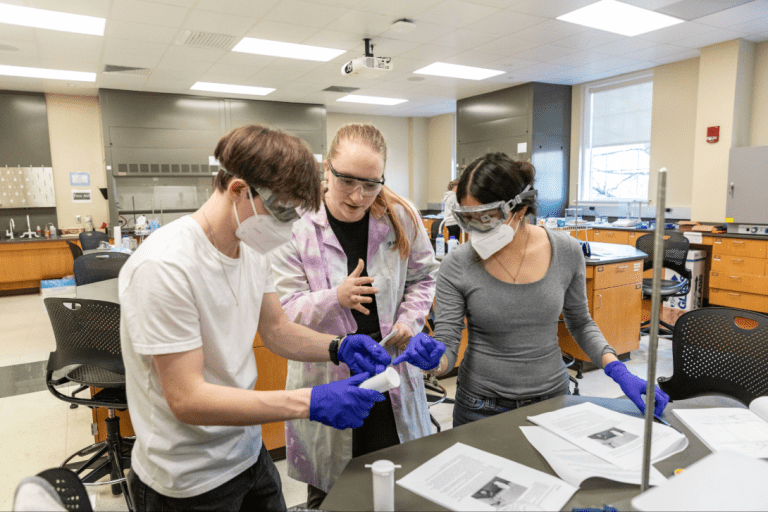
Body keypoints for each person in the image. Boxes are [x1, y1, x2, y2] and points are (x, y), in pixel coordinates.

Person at [119, 125, 396, 512]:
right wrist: (309, 401)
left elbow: (278, 330)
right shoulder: (165, 265)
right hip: (187, 479)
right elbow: (187, 398)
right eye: (282, 211)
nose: (289, 226)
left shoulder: (252, 249)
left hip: (249, 456)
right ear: (237, 190)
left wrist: (339, 347)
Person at [271, 123, 443, 508]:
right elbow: (282, 314)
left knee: (397, 487)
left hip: (390, 374)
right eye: (347, 180)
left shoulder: (400, 214)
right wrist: (336, 298)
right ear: (326, 169)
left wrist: (408, 321)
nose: (358, 195)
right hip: (329, 380)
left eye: (371, 183)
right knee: (334, 494)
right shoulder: (292, 224)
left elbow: (424, 277)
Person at [429, 152, 668, 427]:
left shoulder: (565, 250)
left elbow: (580, 323)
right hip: (479, 406)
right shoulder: (457, 264)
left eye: (486, 218)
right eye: (467, 219)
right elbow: (447, 343)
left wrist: (617, 368)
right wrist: (434, 361)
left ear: (518, 209)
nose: (475, 230)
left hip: (552, 400)